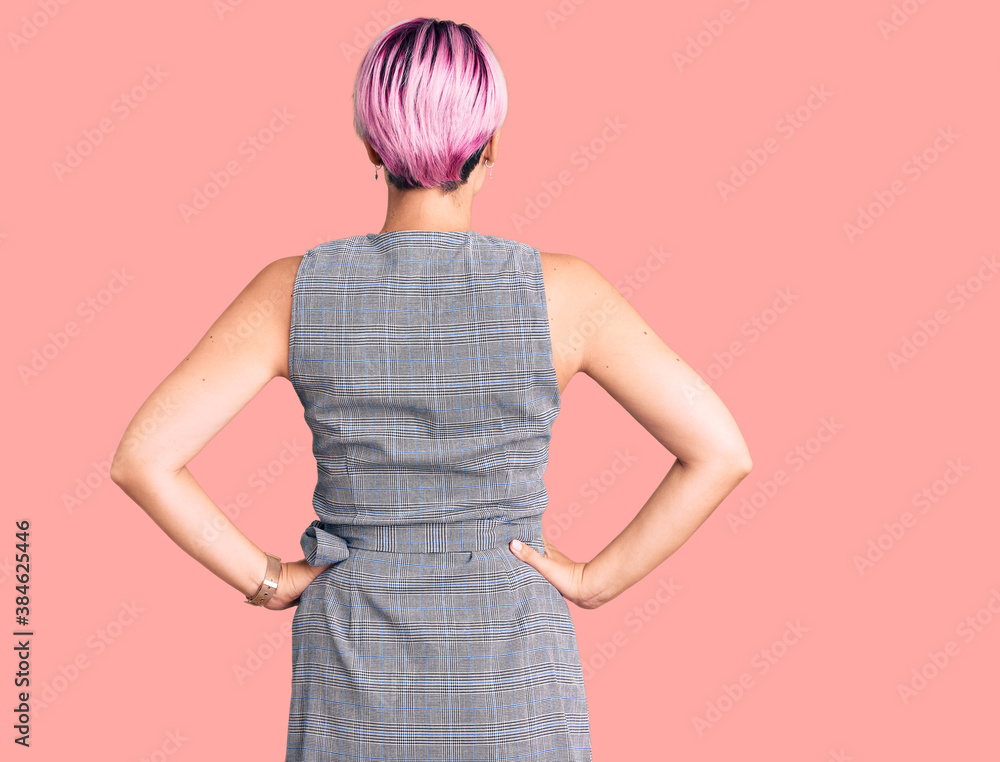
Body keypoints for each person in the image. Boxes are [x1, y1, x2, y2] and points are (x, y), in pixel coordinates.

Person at [110, 16, 752, 762]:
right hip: (513, 657)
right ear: (492, 143)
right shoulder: (564, 293)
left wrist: (268, 580)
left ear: (371, 146)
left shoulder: (293, 290)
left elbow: (143, 458)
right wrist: (594, 581)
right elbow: (720, 452)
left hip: (353, 650)